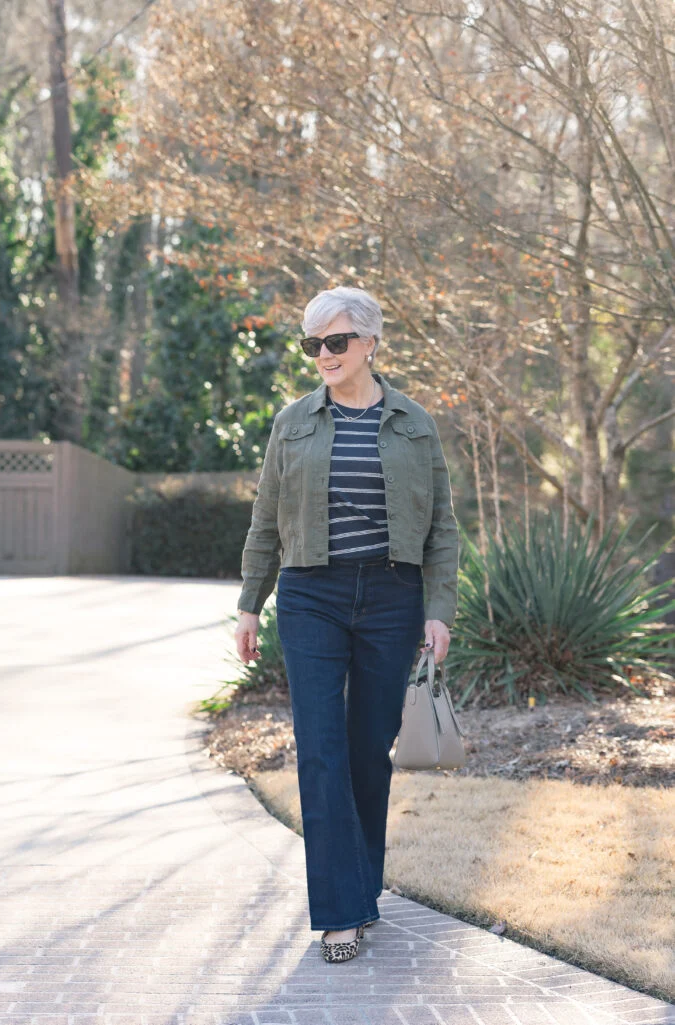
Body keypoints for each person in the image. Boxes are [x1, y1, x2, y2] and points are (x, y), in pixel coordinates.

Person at [234, 286, 459, 963]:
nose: (323, 355)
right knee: (320, 747)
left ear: (369, 343)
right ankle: (339, 913)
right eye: (313, 345)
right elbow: (266, 518)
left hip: (392, 596)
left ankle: (360, 892)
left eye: (335, 342)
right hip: (311, 594)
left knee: (367, 749)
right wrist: (250, 602)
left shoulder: (415, 423)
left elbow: (442, 528)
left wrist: (438, 609)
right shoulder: (292, 422)